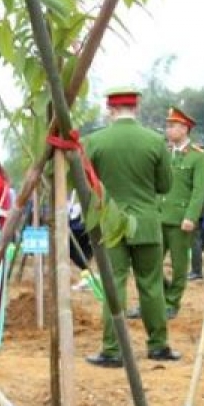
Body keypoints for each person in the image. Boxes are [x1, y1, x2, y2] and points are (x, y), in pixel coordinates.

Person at [84, 86, 176, 366]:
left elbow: (87, 183)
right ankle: (158, 345)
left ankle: (113, 350)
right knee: (151, 285)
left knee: (115, 284)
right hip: (147, 223)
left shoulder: (94, 142)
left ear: (110, 109)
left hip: (110, 224)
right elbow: (165, 185)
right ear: (135, 108)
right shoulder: (155, 141)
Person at [159, 107, 204, 320]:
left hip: (181, 220)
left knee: (179, 265)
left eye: (172, 126)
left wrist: (191, 216)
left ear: (184, 128)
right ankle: (158, 298)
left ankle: (171, 303)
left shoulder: (198, 156)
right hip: (159, 215)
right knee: (149, 263)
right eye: (168, 126)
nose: (168, 130)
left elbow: (199, 190)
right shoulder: (163, 152)